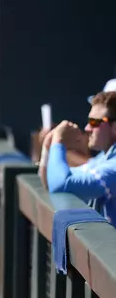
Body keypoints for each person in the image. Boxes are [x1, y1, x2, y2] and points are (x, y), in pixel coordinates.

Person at [38, 91, 116, 227]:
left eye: (94, 122)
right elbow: (52, 181)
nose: (87, 128)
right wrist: (48, 146)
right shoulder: (105, 158)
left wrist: (59, 142)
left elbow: (61, 184)